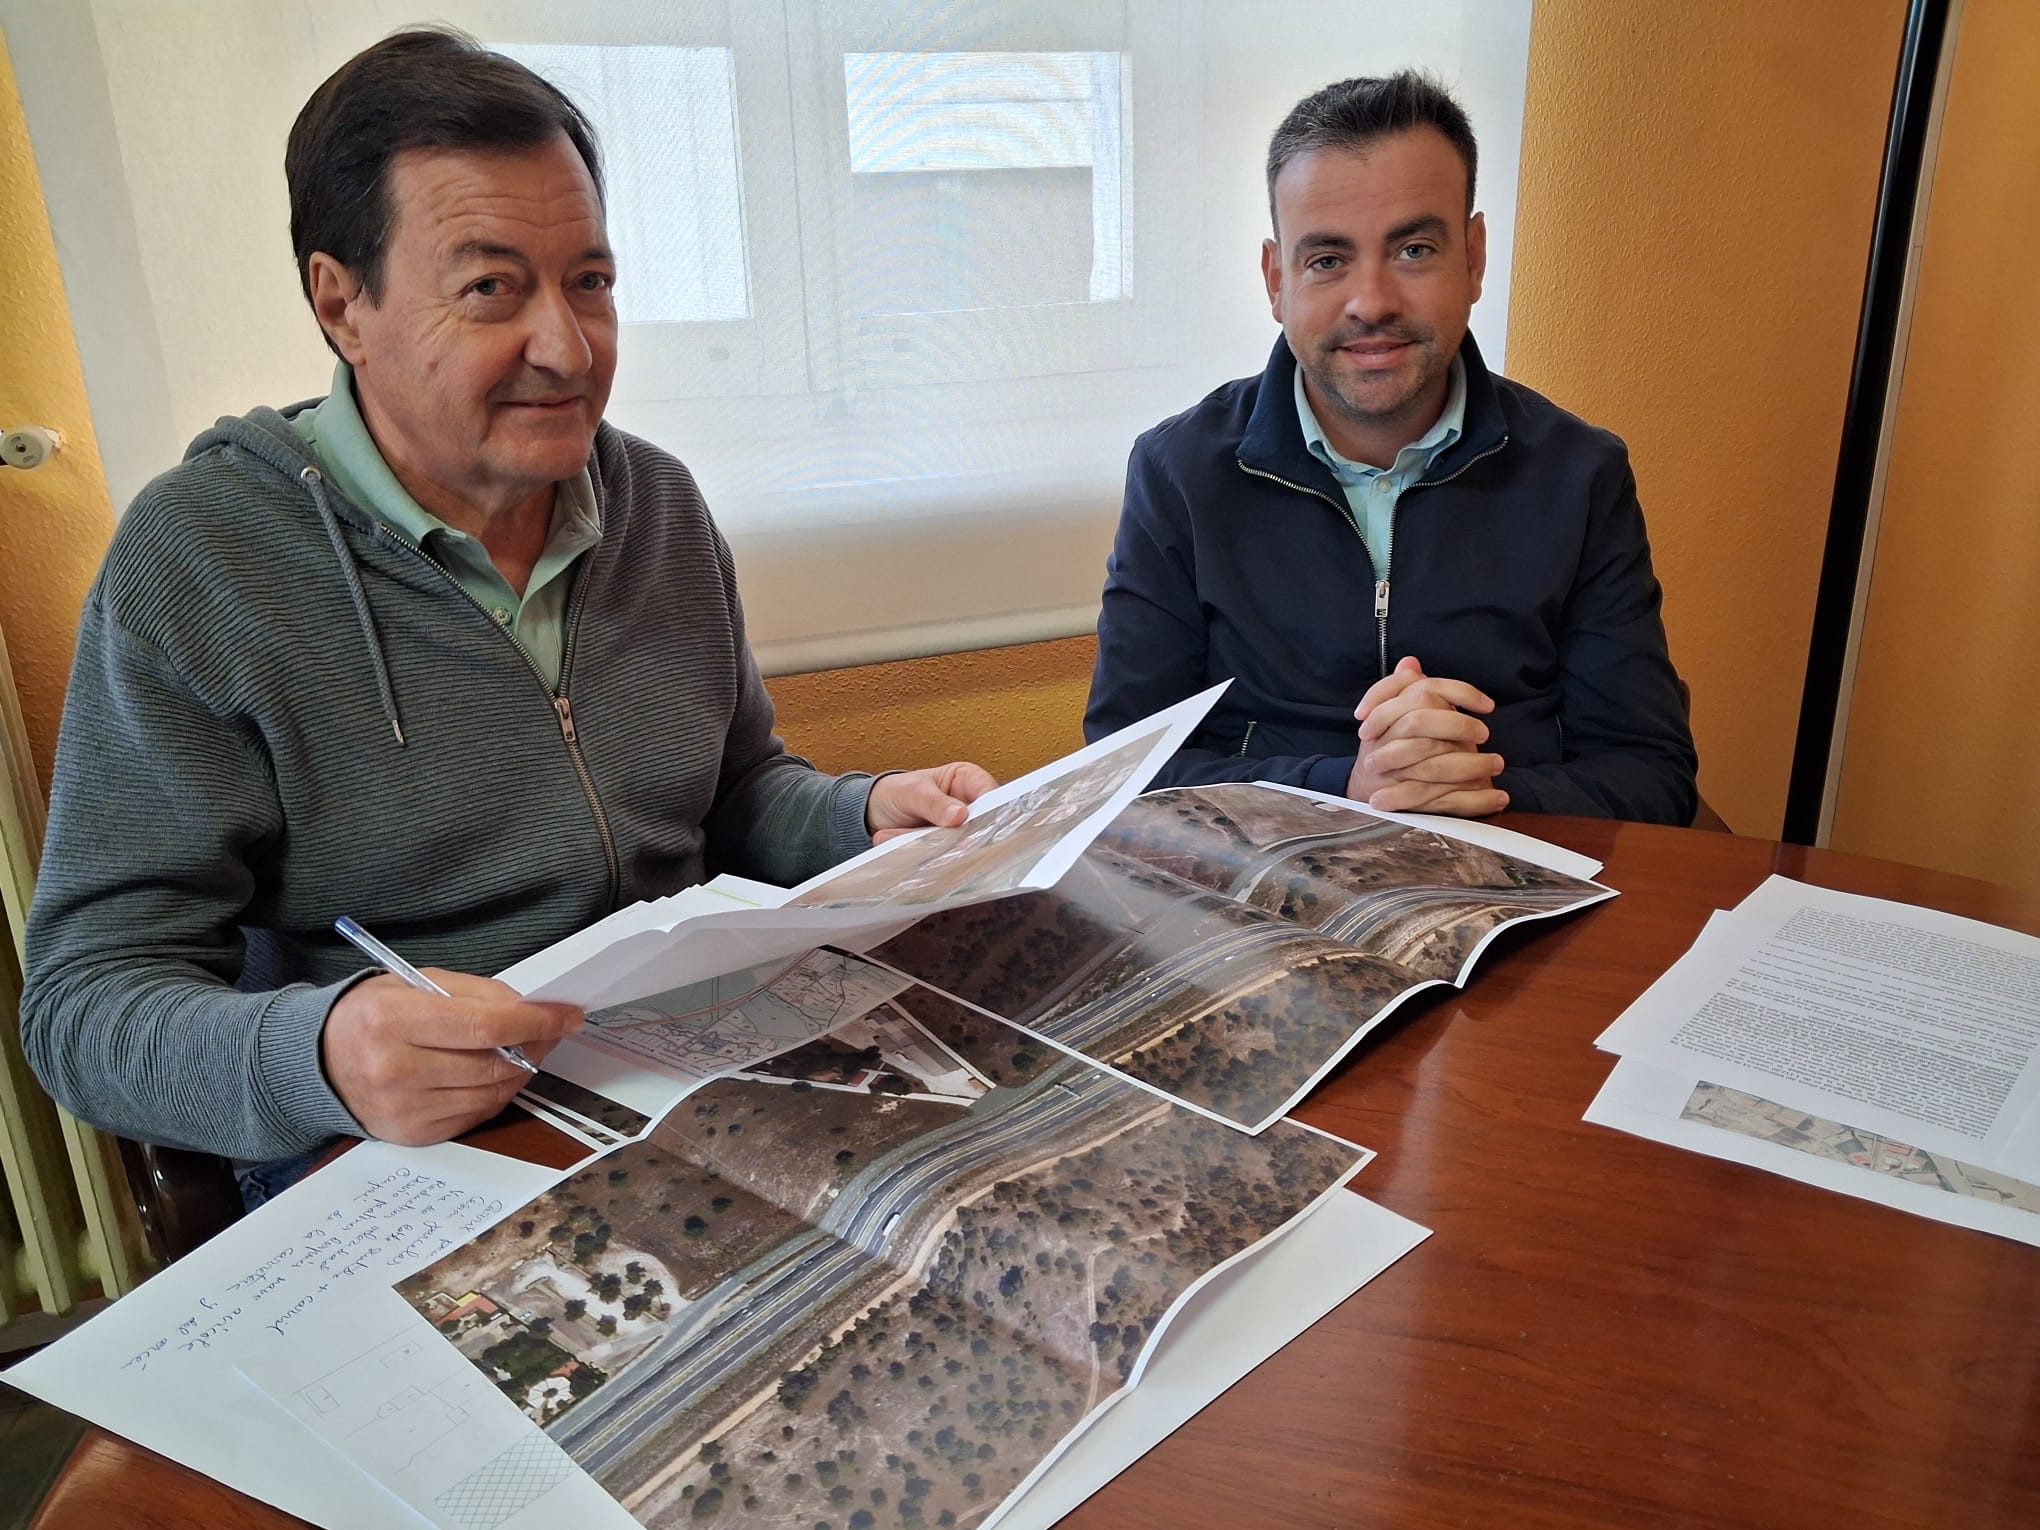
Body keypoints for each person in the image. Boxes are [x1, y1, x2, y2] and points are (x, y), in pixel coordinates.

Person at [19, 29, 993, 1175]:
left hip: (693, 1075)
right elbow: (84, 1006)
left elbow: (733, 796)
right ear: (342, 306)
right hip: (413, 1148)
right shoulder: (206, 559)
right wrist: (316, 1051)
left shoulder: (656, 504)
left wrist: (858, 816)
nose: (567, 345)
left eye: (591, 281)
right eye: (491, 289)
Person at [1084, 71, 1697, 825]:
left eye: (1412, 249)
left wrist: (1479, 790)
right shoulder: (1178, 472)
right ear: (1278, 281)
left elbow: (1651, 773)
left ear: (1473, 258)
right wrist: (1345, 783)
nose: (1371, 302)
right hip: (1267, 886)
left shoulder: (1582, 474)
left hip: (1516, 868)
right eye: (1328, 260)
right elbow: (1122, 768)